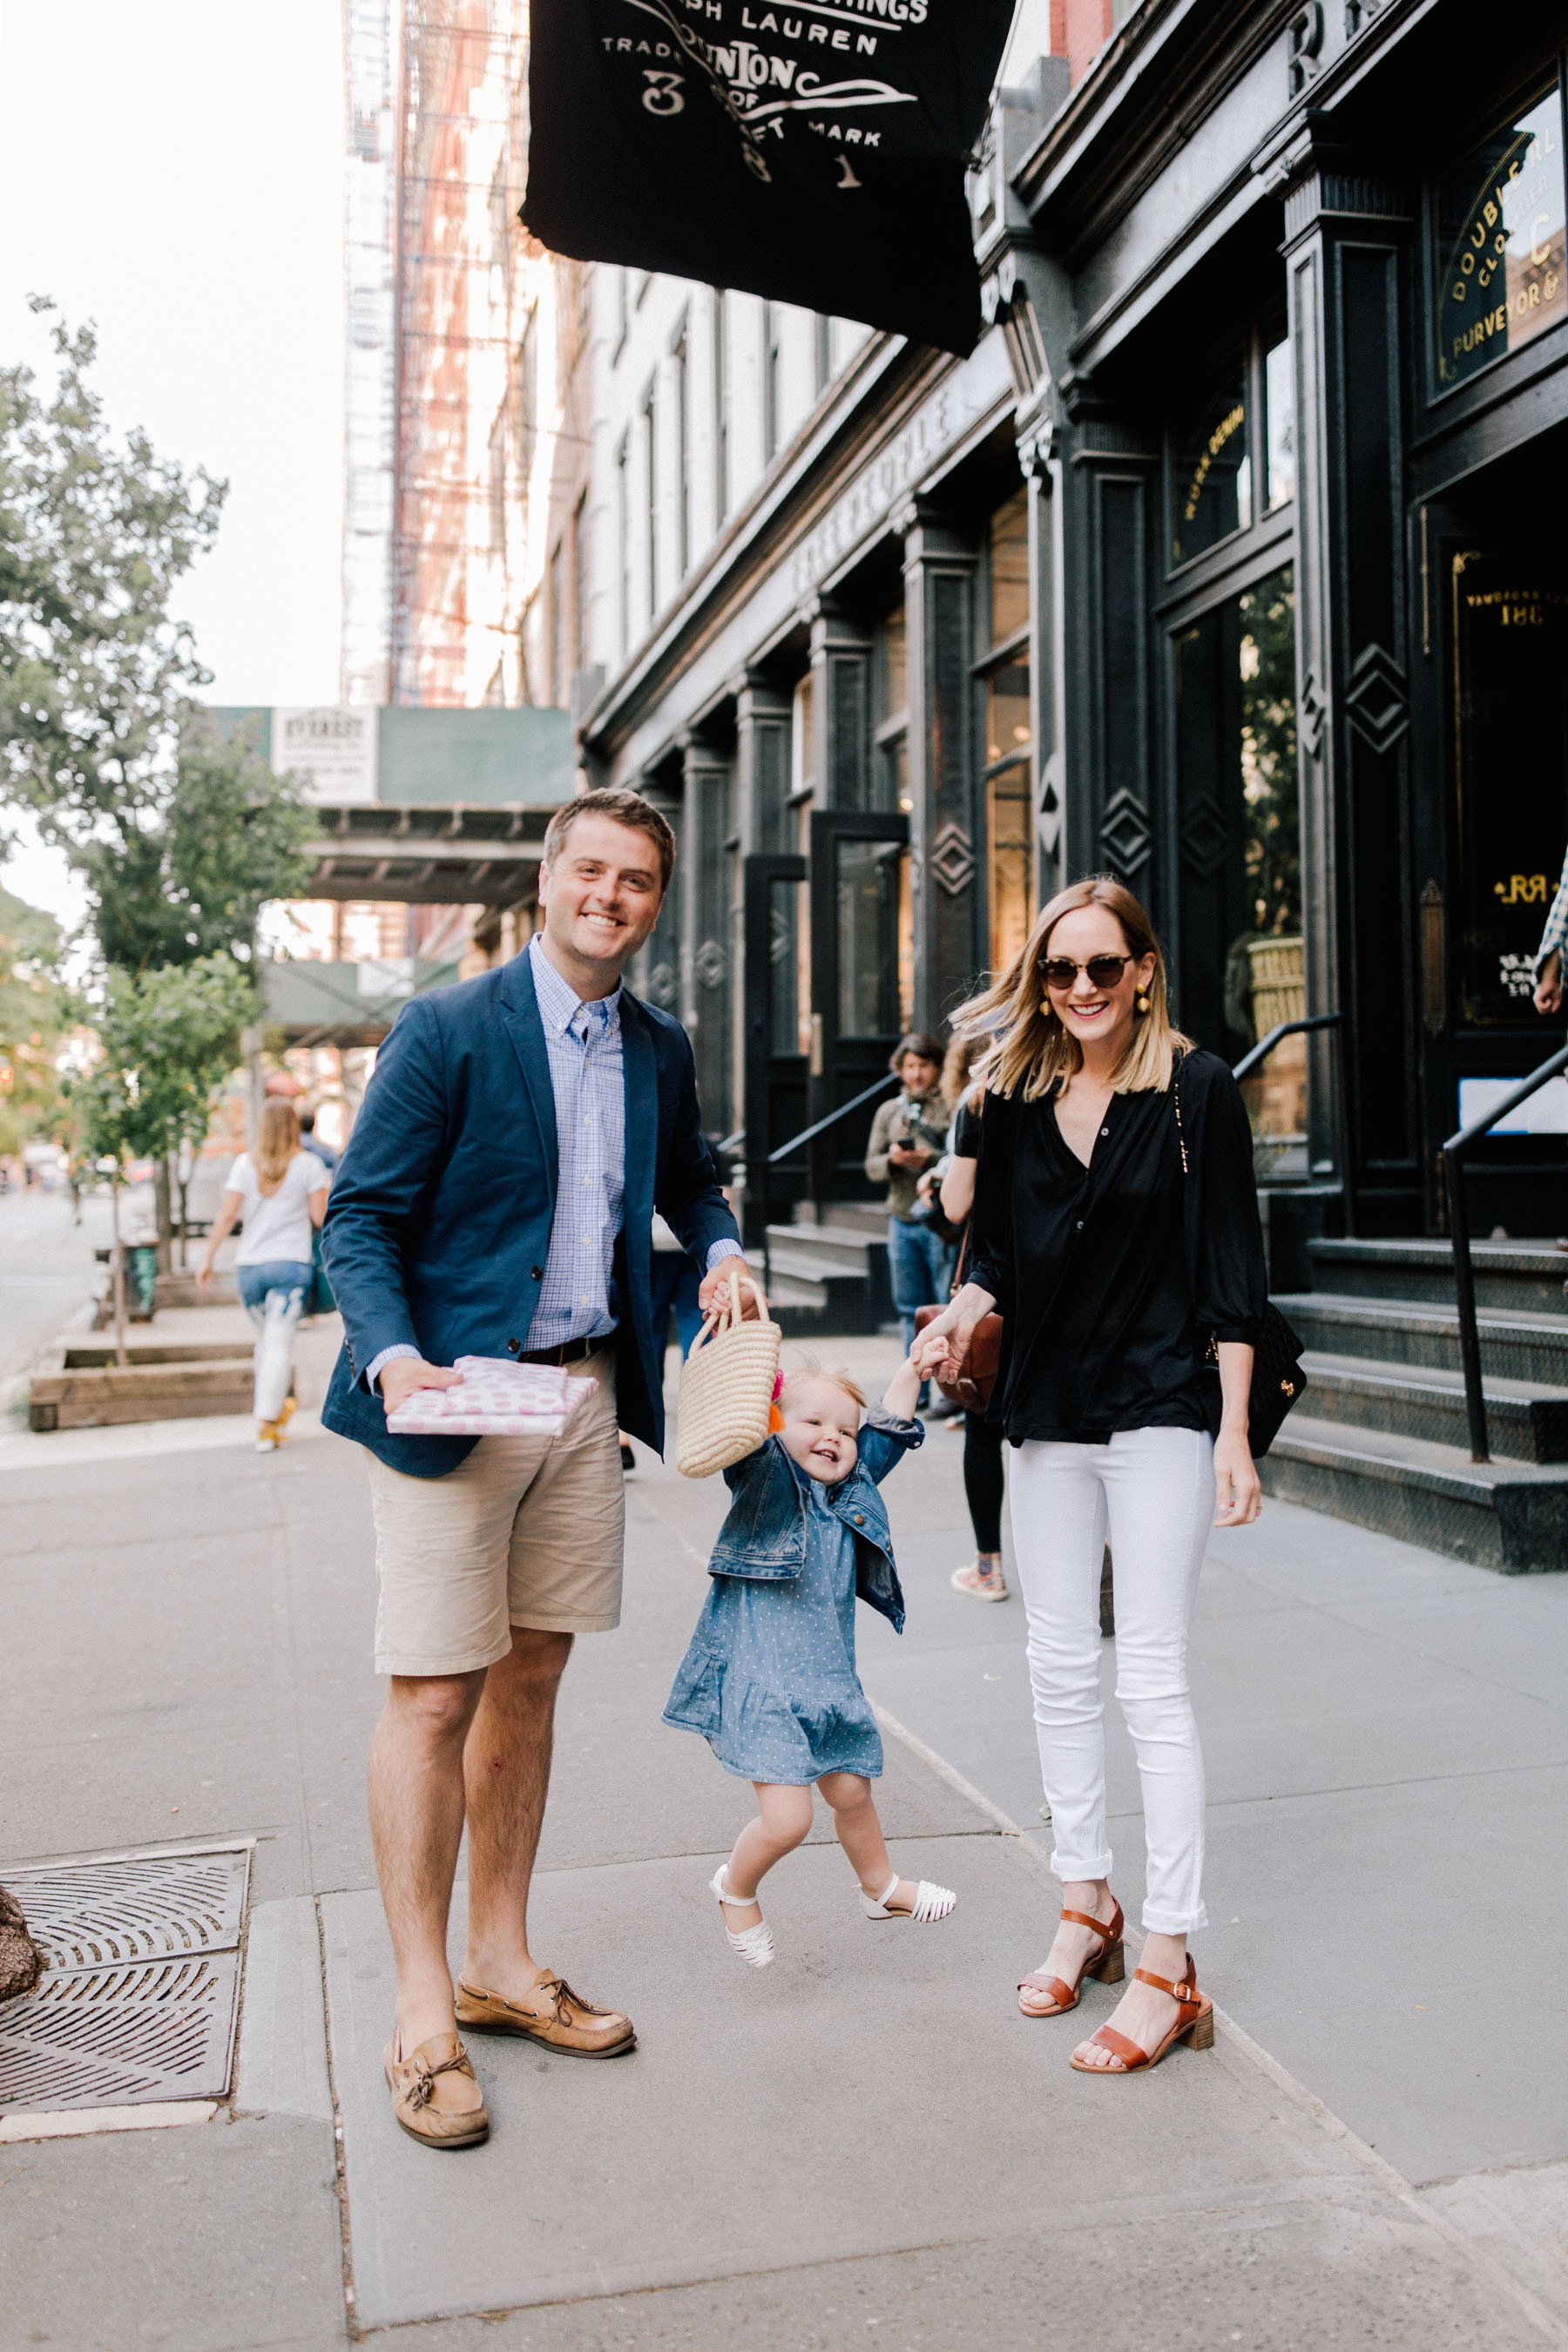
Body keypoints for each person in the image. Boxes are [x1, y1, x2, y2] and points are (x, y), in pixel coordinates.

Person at [319, 787, 760, 2152]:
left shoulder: (661, 1045)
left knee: (534, 1675)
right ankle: (418, 2010)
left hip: (584, 1394)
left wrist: (726, 1248)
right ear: (547, 881)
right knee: (435, 1694)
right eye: (590, 870)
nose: (609, 896)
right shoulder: (449, 1030)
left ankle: (501, 1963)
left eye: (636, 880)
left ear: (652, 902)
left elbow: (692, 1179)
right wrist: (393, 1357)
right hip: (453, 1401)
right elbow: (363, 1220)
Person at [915, 875, 1264, 2076]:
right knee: (1058, 1668)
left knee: (1151, 1684)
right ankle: (1086, 1903)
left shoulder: (1196, 1090)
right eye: (1058, 973)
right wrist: (956, 1318)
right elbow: (997, 1256)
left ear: (1144, 971)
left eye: (1101, 970)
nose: (1078, 992)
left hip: (1164, 1405)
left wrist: (1233, 1436)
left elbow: (1231, 1274)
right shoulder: (1012, 1094)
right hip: (1043, 1414)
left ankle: (1168, 1959)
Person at [663, 1355, 956, 1964]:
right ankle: (735, 1889)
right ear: (774, 1425)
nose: (834, 1438)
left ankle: (880, 1888)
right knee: (789, 1820)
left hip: (828, 1681)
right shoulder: (767, 1478)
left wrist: (913, 1369)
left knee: (852, 1792)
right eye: (814, 1423)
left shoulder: (850, 1489)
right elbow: (743, 1434)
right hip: (761, 1683)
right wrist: (753, 1380)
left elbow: (887, 1434)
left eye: (845, 1431)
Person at [199, 1099, 329, 1450]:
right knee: (277, 1343)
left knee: (268, 1343)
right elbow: (321, 1219)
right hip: (289, 1269)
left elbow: (227, 1216)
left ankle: (274, 1414)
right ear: (292, 1126)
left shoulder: (244, 1164)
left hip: (250, 1271)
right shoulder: (309, 1166)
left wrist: (207, 1258)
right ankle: (266, 1423)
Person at [932, 1033, 1008, 1602]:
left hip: (995, 1281)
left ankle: (989, 1568)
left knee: (985, 1425)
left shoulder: (982, 1100)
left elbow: (955, 1206)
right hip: (1075, 1291)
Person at [865, 1032, 954, 1401]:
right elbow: (871, 1166)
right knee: (908, 1307)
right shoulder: (889, 1111)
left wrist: (929, 1160)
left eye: (925, 1065)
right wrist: (893, 1160)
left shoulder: (950, 1105)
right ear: (900, 1069)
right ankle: (912, 1390)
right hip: (901, 1219)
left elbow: (962, 1159)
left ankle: (947, 1395)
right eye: (910, 1066)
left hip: (938, 1221)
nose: (917, 1074)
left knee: (943, 1307)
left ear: (937, 1067)